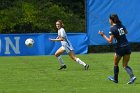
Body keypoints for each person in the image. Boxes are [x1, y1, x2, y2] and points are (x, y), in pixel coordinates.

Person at [98, 14, 136, 84]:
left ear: (111, 20)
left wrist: (103, 35)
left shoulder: (112, 28)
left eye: (109, 19)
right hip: (127, 46)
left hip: (120, 48)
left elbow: (110, 41)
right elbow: (126, 32)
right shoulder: (121, 25)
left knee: (116, 64)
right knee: (125, 65)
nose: (108, 21)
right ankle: (132, 77)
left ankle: (115, 79)